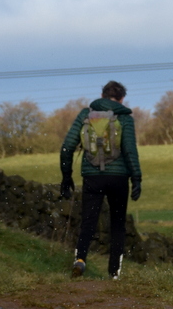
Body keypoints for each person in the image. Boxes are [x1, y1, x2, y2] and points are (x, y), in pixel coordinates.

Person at [60, 80, 142, 280]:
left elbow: (67, 147)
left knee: (88, 221)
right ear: (122, 98)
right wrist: (136, 178)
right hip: (118, 178)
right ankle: (114, 273)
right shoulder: (125, 117)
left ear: (102, 96)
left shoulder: (85, 115)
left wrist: (66, 176)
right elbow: (130, 151)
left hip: (92, 177)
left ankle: (80, 260)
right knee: (117, 224)